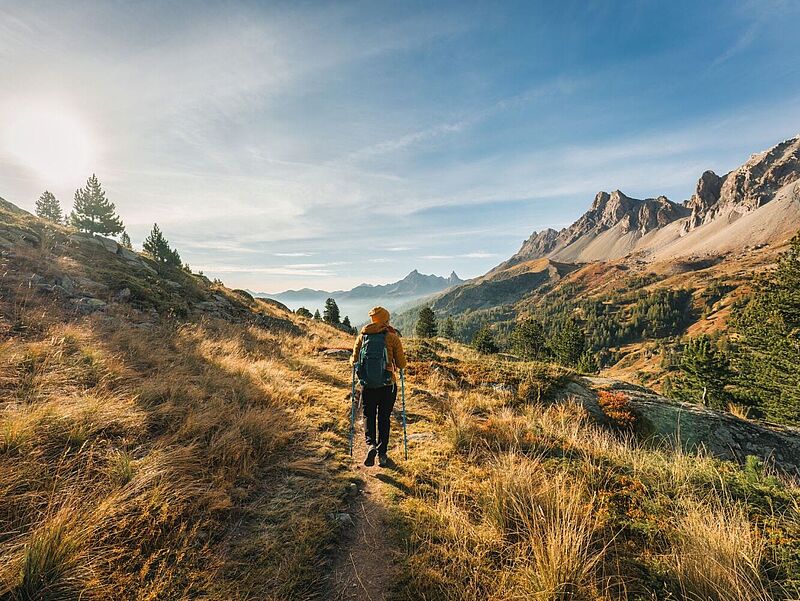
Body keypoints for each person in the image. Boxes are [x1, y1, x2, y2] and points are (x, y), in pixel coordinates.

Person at [350, 306, 407, 467]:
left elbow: (353, 361)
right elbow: (402, 363)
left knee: (368, 415)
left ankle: (370, 445)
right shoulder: (391, 337)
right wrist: (393, 365)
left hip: (368, 385)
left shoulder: (362, 336)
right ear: (385, 320)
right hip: (387, 385)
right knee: (384, 418)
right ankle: (382, 454)